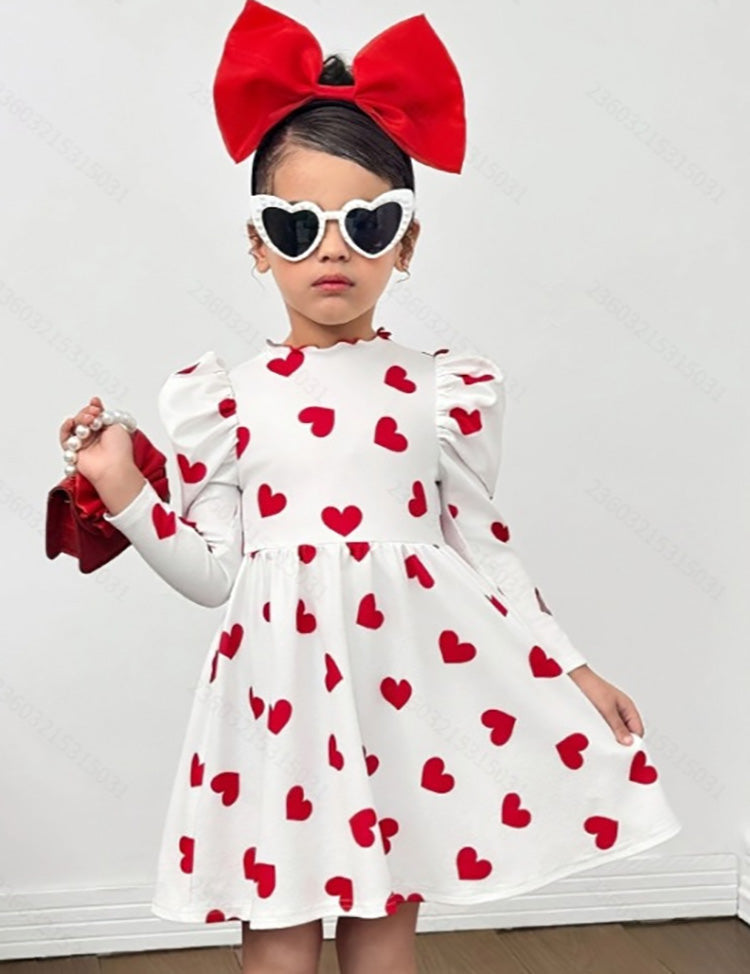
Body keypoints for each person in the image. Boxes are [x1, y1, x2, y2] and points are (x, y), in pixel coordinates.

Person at [56, 3, 681, 972]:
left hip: (398, 699)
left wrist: (572, 668)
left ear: (407, 242)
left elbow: (484, 549)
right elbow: (215, 576)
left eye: (368, 222)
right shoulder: (223, 399)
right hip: (275, 702)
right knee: (277, 931)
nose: (333, 250)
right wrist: (126, 488)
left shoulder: (442, 391)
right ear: (257, 245)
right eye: (296, 226)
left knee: (384, 924)